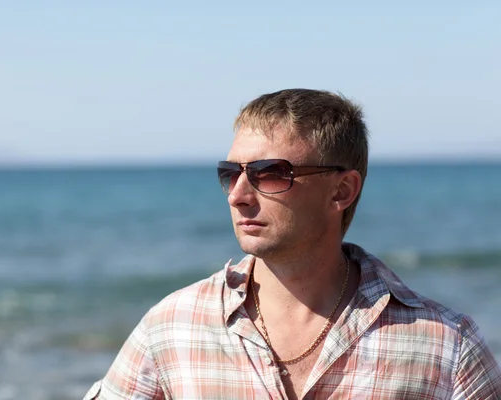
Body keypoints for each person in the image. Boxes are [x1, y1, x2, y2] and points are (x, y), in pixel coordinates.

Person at [84, 89, 501, 399]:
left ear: (341, 191)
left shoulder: (446, 345)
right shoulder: (173, 328)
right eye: (232, 173)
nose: (238, 194)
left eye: (269, 173)